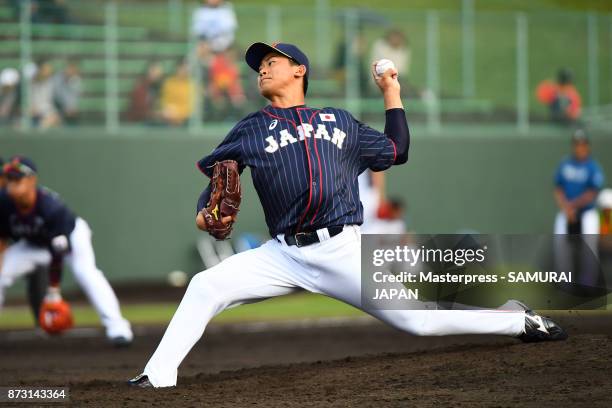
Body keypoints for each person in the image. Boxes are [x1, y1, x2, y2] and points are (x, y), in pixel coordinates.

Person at [128, 42, 566, 389]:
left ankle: (518, 320)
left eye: (272, 61)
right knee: (206, 285)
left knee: (418, 320)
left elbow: (398, 151)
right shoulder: (250, 128)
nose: (261, 68)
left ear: (299, 70)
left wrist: (391, 93)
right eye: (258, 64)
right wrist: (204, 218)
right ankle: (157, 376)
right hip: (282, 255)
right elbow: (214, 193)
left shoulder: (337, 120)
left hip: (341, 249)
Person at [0, 157, 133, 346]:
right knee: (1, 273)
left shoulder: (50, 207)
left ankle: (118, 328)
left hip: (71, 239)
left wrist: (53, 292)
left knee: (86, 273)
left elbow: (58, 250)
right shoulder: (4, 202)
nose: (12, 185)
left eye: (17, 180)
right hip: (34, 245)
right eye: (9, 180)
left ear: (32, 181)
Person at [554, 130, 604, 235]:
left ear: (587, 146)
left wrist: (573, 206)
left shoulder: (593, 167)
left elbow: (592, 192)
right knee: (560, 241)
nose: (580, 148)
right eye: (577, 144)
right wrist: (566, 207)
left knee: (590, 246)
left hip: (587, 212)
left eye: (582, 144)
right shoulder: (565, 164)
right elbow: (558, 188)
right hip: (567, 211)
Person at [192, 0, 238, 66]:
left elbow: (228, 31)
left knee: (231, 54)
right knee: (199, 51)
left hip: (224, 45)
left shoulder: (226, 10)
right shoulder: (200, 12)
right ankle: (205, 72)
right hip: (206, 45)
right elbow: (199, 32)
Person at [160, 60, 195, 126]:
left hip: (186, 121)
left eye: (187, 68)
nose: (185, 71)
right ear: (177, 68)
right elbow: (164, 102)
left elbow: (192, 108)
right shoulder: (169, 83)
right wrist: (169, 111)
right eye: (182, 68)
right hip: (168, 119)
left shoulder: (193, 85)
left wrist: (177, 113)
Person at [31, 59, 61, 130]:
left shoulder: (51, 82)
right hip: (33, 113)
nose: (48, 72)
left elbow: (48, 103)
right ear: (40, 70)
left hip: (46, 113)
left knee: (54, 120)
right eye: (46, 69)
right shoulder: (31, 83)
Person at [52, 59, 82, 125]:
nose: (71, 71)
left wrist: (71, 107)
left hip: (68, 109)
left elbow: (75, 97)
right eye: (70, 69)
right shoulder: (57, 78)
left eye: (73, 70)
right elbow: (56, 95)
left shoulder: (76, 80)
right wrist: (66, 107)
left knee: (72, 114)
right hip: (57, 106)